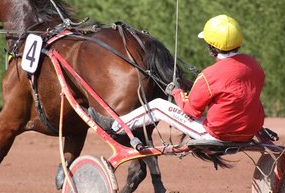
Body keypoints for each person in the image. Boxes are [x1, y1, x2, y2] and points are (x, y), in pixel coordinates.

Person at [89, 14, 265, 143]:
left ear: (211, 46)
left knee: (158, 105)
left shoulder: (209, 75)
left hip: (217, 133)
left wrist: (177, 92)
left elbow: (191, 111)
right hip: (249, 131)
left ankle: (115, 126)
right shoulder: (254, 65)